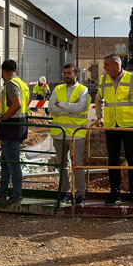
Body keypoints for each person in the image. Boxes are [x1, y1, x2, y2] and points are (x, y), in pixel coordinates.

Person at [95, 53, 133, 207]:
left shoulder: (132, 79)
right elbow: (99, 100)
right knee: (113, 161)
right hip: (112, 126)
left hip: (130, 126)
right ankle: (115, 193)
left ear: (117, 65)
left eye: (107, 65)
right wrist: (100, 117)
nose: (104, 68)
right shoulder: (104, 80)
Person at [49, 63, 90, 207]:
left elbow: (79, 107)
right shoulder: (58, 88)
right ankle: (65, 193)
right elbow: (51, 107)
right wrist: (69, 108)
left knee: (77, 165)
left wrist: (61, 105)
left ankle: (80, 195)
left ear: (76, 74)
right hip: (59, 133)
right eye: (64, 73)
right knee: (63, 165)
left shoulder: (82, 90)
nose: (66, 75)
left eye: (69, 73)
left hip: (76, 134)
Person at [0, 59, 29, 204]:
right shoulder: (22, 84)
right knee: (5, 163)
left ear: (3, 71)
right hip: (17, 125)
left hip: (11, 127)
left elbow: (17, 103)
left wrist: (2, 118)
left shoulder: (11, 84)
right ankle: (2, 193)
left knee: (12, 163)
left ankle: (16, 195)